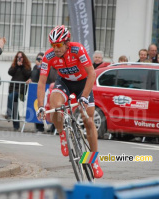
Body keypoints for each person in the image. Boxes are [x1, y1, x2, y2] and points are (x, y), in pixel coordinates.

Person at [36, 25, 103, 178]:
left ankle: (93, 160)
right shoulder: (48, 56)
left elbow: (92, 73)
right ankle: (62, 134)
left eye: (58, 45)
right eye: (53, 45)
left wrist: (84, 97)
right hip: (64, 83)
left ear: (67, 43)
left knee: (89, 120)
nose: (56, 48)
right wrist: (40, 106)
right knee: (56, 107)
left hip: (82, 84)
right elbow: (41, 82)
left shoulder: (78, 50)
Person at [6, 51, 31, 131]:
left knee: (11, 96)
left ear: (24, 58)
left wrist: (22, 66)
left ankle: (9, 113)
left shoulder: (27, 66)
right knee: (15, 106)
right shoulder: (14, 65)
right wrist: (17, 66)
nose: (19, 59)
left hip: (20, 89)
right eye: (18, 57)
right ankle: (16, 125)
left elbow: (28, 74)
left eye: (21, 57)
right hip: (13, 87)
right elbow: (10, 72)